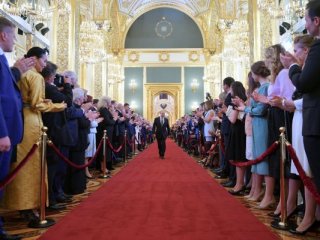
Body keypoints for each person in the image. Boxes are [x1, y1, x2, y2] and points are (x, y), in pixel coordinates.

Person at [2, 47, 66, 222]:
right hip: (31, 123)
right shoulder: (36, 77)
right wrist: (59, 106)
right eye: (44, 61)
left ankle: (18, 203)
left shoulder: (20, 73)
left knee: (19, 165)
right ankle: (29, 205)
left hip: (18, 119)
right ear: (35, 59)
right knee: (32, 166)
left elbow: (28, 99)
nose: (45, 65)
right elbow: (38, 105)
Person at [0, 16, 35, 240]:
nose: (15, 40)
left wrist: (15, 71)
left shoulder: (3, 60)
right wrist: (2, 133)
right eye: (13, 35)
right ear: (3, 35)